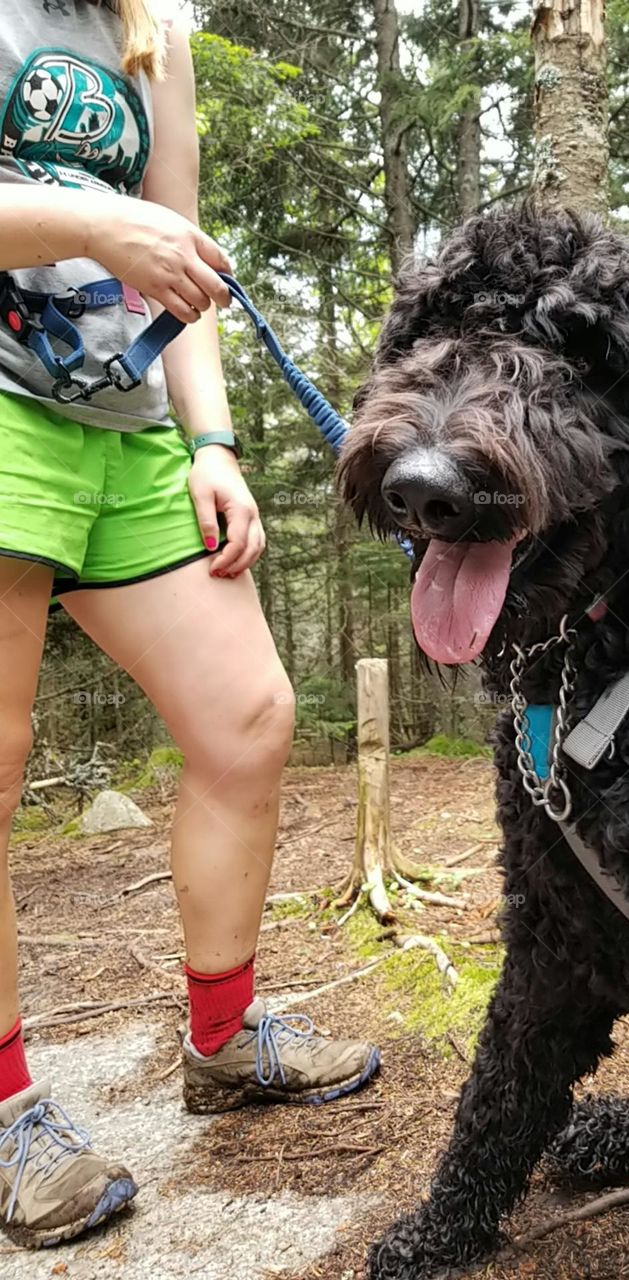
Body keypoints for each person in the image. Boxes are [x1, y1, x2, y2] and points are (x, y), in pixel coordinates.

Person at [0, 0, 379, 1249]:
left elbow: (182, 255)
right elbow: (125, 229)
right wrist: (91, 223)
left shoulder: (151, 24)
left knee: (247, 716)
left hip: (128, 429)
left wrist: (211, 440)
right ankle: (7, 1114)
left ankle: (221, 1037)